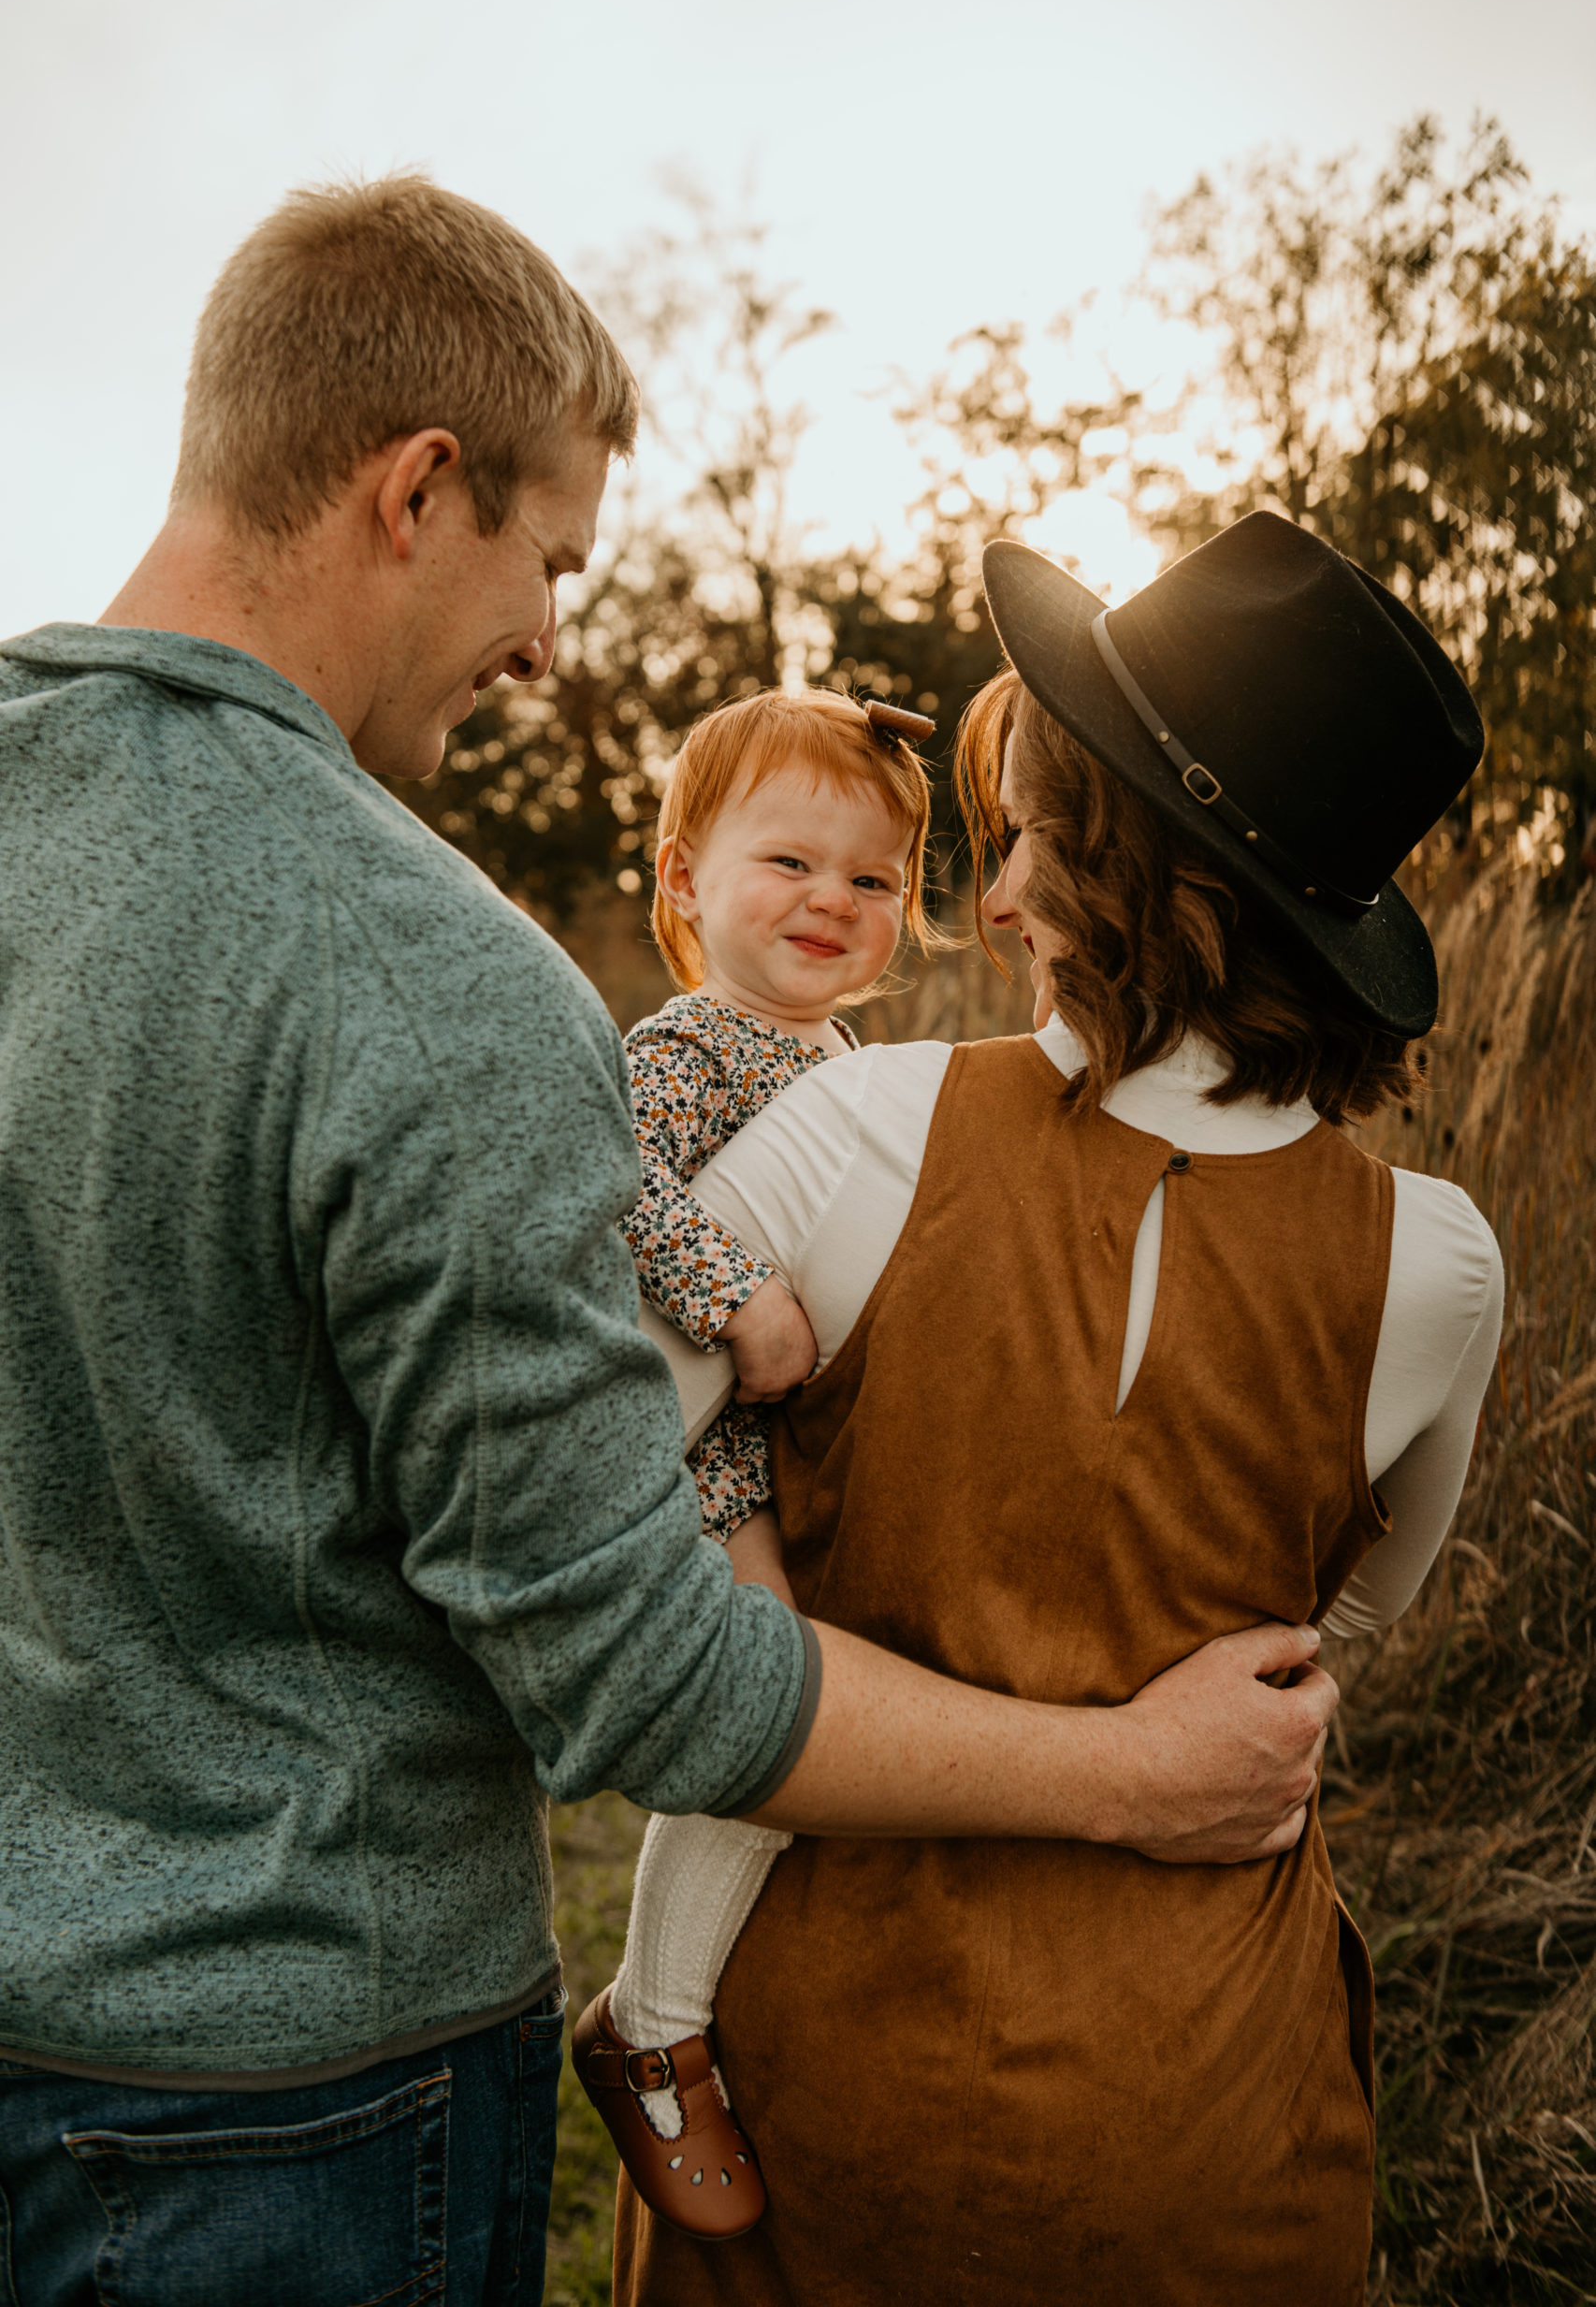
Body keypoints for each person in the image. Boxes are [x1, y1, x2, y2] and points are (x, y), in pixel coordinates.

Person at [0, 179, 1334, 2305]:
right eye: (548, 560)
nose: (548, 641)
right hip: (292, 2102)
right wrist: (1124, 1771)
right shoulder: (432, 974)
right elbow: (637, 1667)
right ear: (415, 488)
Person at [613, 514, 1504, 2306]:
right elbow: (1335, 1627)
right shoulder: (1439, 1259)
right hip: (1216, 2123)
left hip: (825, 2106)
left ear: (1143, 871)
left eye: (1026, 839)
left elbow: (594, 1503)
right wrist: (1128, 1736)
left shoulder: (855, 1134)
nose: (993, 896)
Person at [573, 685, 938, 2236]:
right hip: (707, 1458)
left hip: (811, 1456)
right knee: (771, 1718)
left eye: (871, 881)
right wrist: (738, 1296)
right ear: (681, 880)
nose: (830, 903)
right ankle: (652, 2021)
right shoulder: (683, 1046)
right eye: (788, 863)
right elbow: (610, 1187)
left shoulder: (862, 1063)